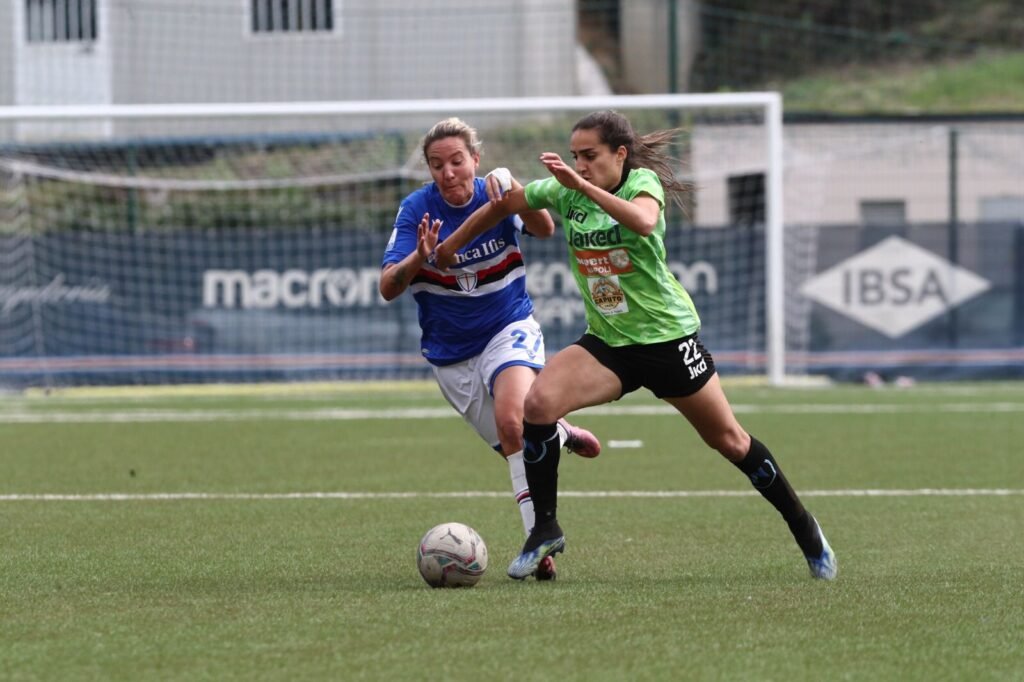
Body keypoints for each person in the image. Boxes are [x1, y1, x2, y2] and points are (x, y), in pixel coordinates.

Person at [434, 110, 837, 582]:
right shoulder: (566, 189)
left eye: (590, 156)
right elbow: (504, 207)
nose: (579, 165)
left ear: (619, 154)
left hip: (668, 340)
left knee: (729, 440)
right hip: (609, 343)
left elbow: (644, 223)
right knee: (537, 405)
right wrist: (449, 249)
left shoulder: (640, 183)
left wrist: (580, 187)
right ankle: (544, 529)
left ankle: (805, 529)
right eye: (574, 157)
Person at [379, 117, 601, 581]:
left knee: (511, 419)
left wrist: (514, 188)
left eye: (457, 161)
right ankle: (559, 433)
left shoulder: (493, 191)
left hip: (508, 327)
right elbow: (388, 287)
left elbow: (544, 229)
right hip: (450, 355)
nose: (449, 172)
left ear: (474, 160)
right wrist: (421, 256)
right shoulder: (415, 211)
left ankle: (540, 550)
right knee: (514, 446)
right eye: (437, 165)